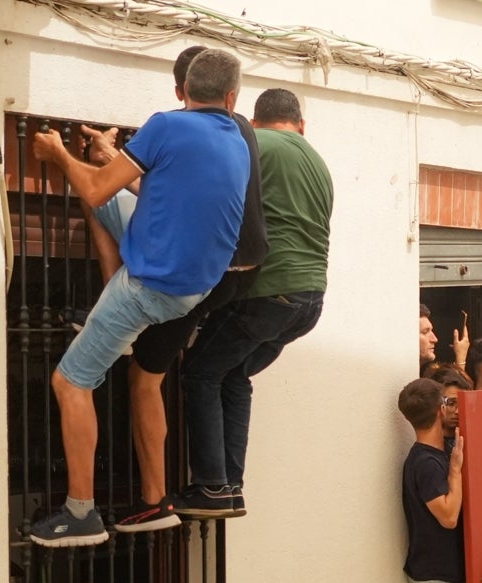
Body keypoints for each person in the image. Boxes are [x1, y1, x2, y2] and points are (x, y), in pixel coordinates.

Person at [28, 49, 250, 546]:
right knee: (110, 207)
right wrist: (109, 155)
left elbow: (95, 188)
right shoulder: (236, 138)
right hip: (194, 288)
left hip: (149, 289)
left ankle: (80, 513)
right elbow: (163, 185)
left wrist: (59, 155)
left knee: (70, 382)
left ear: (181, 92)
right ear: (232, 98)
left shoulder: (166, 125)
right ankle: (112, 312)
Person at [173, 87, 334, 518]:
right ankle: (230, 488)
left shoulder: (253, 143)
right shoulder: (317, 161)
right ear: (301, 124)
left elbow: (213, 197)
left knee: (201, 372)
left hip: (268, 293)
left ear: (255, 121)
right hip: (309, 301)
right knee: (234, 374)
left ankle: (210, 486)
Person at [397, 378, 466, 583]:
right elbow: (449, 516)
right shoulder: (427, 462)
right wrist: (455, 473)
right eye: (448, 403)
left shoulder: (425, 456)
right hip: (441, 581)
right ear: (440, 409)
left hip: (427, 576)